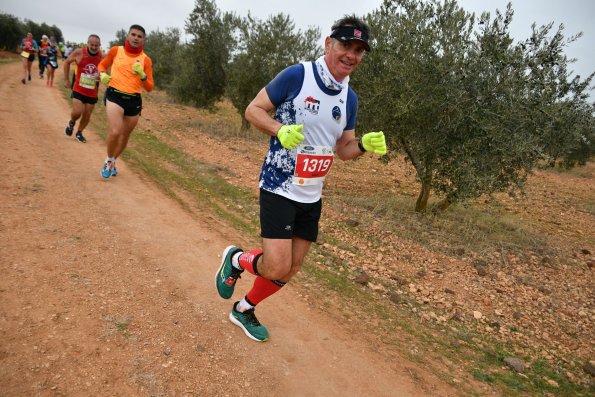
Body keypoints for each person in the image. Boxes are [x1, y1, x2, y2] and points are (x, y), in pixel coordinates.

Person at [215, 15, 387, 342]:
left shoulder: (349, 98)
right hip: (279, 185)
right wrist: (280, 129)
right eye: (345, 46)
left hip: (312, 195)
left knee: (291, 269)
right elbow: (253, 110)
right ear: (328, 44)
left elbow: (344, 149)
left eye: (359, 50)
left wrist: (363, 145)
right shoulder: (298, 75)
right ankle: (236, 260)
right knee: (277, 265)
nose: (351, 55)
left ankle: (244, 308)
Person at [97, 24, 154, 178]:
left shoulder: (146, 60)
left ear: (144, 40)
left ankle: (114, 160)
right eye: (133, 34)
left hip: (134, 100)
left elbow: (149, 87)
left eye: (139, 36)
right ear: (127, 36)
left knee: (124, 136)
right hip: (114, 95)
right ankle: (108, 160)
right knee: (115, 131)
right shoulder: (116, 50)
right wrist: (102, 74)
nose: (136, 38)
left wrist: (142, 74)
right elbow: (102, 64)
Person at [63, 34, 102, 143]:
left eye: (96, 45)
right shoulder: (79, 53)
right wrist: (66, 79)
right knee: (77, 112)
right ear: (87, 44)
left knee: (87, 114)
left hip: (92, 91)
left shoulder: (102, 56)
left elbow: (104, 70)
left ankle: (79, 132)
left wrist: (101, 76)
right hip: (79, 88)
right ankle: (71, 122)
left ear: (100, 45)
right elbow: (66, 62)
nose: (94, 47)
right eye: (92, 45)